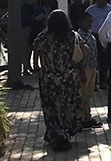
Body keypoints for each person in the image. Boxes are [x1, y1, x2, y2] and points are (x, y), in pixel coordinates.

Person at [32, 10, 83, 151]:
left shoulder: (44, 37)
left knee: (51, 108)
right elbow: (84, 50)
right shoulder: (72, 36)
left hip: (49, 78)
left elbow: (35, 49)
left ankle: (55, 134)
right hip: (68, 77)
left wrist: (37, 65)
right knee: (67, 106)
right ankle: (65, 133)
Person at [74, 11, 101, 129]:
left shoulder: (90, 35)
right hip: (84, 68)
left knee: (88, 94)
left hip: (92, 66)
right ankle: (82, 118)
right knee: (82, 94)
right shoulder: (78, 36)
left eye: (91, 21)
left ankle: (87, 116)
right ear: (80, 22)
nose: (89, 24)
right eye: (86, 21)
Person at [85, 0, 111, 90]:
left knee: (104, 60)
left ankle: (103, 81)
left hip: (106, 37)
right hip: (93, 37)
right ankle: (93, 83)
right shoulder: (90, 10)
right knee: (92, 60)